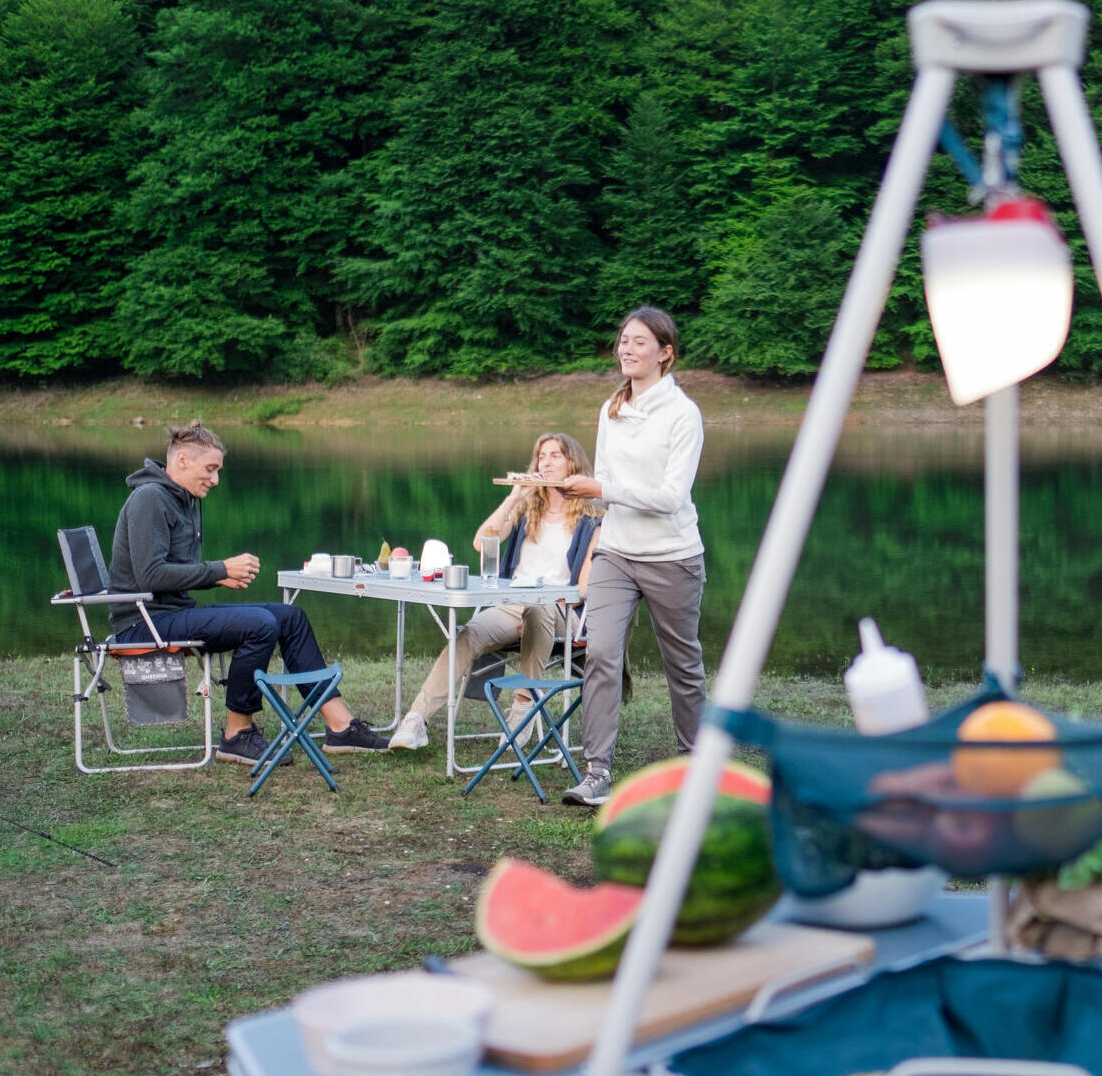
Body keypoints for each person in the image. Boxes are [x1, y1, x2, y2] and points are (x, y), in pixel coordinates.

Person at [110, 422, 389, 764]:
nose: (215, 480)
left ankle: (341, 726)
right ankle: (236, 734)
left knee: (290, 617)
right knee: (258, 624)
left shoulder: (184, 499)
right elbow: (149, 574)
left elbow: (170, 571)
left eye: (218, 471)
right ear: (181, 461)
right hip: (144, 623)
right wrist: (219, 570)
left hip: (171, 613)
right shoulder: (150, 499)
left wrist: (215, 578)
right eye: (210, 470)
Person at [557, 307, 707, 808]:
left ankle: (694, 766)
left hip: (672, 556)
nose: (626, 348)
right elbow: (606, 492)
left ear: (665, 353)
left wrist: (602, 487)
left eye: (639, 342)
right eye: (623, 340)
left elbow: (670, 496)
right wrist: (564, 489)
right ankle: (597, 772)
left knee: (681, 665)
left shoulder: (683, 414)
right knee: (598, 653)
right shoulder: (611, 409)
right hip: (617, 552)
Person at [387, 431, 603, 751]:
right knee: (465, 635)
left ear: (573, 463)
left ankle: (523, 704)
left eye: (555, 455)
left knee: (538, 609)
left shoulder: (592, 519)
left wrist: (541, 601)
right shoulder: (526, 510)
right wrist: (515, 496)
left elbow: (583, 589)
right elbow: (481, 542)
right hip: (511, 606)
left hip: (562, 612)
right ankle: (416, 721)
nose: (546, 462)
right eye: (541, 456)